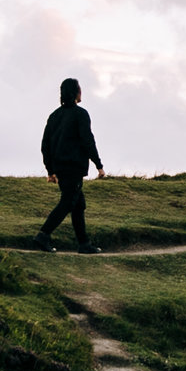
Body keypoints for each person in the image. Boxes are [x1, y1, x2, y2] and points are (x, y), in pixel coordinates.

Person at [37, 78, 105, 252]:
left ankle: (84, 244)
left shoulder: (54, 116)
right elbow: (87, 141)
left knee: (78, 204)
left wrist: (50, 170)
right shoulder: (80, 114)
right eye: (80, 89)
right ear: (76, 93)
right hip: (73, 166)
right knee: (67, 202)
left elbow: (45, 145)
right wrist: (99, 165)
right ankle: (43, 235)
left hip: (60, 167)